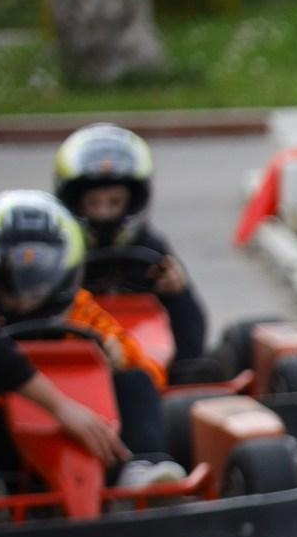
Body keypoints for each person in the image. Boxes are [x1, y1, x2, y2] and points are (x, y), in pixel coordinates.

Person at [0, 189, 182, 494]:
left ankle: (140, 469)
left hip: (91, 427)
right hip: (11, 442)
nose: (27, 293)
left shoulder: (81, 310)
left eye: (39, 276)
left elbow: (144, 365)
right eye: (13, 279)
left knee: (135, 381)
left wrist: (116, 358)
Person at [54, 124, 209, 370]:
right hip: (77, 354)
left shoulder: (151, 247)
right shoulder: (59, 252)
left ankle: (180, 378)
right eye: (93, 203)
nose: (103, 213)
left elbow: (192, 329)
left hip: (147, 357)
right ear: (74, 202)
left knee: (199, 364)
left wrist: (177, 293)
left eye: (114, 202)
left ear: (134, 199)